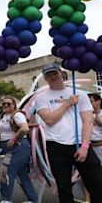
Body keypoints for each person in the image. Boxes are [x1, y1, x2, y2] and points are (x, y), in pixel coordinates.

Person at [35, 63, 102, 203]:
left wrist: (84, 146)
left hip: (80, 144)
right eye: (48, 74)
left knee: (97, 184)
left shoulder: (81, 95)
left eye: (55, 73)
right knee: (64, 189)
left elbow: (88, 121)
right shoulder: (41, 98)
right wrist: (67, 104)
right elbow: (49, 119)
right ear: (45, 79)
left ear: (61, 74)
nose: (53, 76)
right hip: (56, 146)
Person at [0, 96, 37, 203]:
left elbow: (25, 128)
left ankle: (6, 199)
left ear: (14, 105)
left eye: (8, 104)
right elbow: (7, 130)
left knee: (6, 171)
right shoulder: (4, 116)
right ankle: (33, 199)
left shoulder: (17, 115)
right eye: (3, 103)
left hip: (19, 147)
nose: (5, 105)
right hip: (11, 148)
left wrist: (13, 139)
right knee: (22, 175)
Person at [88, 93, 102, 161]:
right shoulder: (87, 115)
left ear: (98, 102)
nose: (88, 104)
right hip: (90, 148)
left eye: (91, 101)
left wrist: (101, 122)